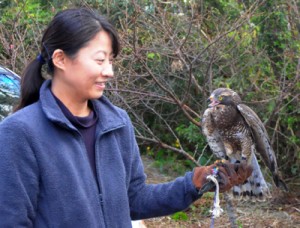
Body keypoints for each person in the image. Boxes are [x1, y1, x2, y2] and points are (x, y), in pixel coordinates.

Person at [0, 8, 252, 227]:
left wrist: (194, 184)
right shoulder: (20, 133)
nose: (109, 71)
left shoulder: (117, 123)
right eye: (100, 60)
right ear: (60, 59)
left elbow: (135, 199)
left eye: (111, 60)